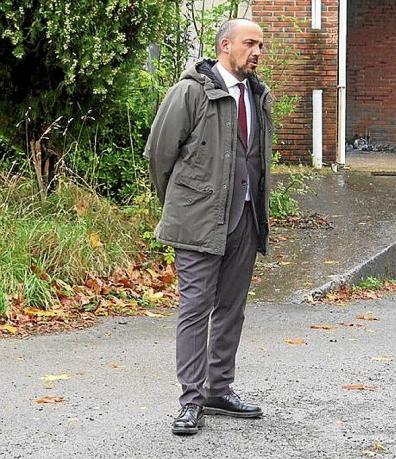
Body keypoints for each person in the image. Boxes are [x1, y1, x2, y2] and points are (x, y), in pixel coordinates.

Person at [145, 18, 273, 435]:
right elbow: (158, 155)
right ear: (224, 46)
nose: (258, 52)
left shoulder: (257, 94)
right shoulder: (191, 92)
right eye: (250, 44)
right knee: (195, 308)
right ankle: (191, 399)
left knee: (231, 309)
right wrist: (183, 206)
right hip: (199, 221)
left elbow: (255, 159)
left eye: (261, 45)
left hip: (246, 219)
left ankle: (219, 390)